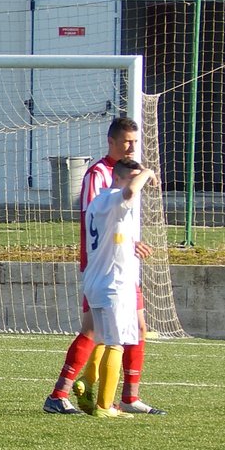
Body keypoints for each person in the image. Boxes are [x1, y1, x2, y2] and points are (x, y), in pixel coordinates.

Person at [43, 117, 165, 416]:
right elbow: (96, 218)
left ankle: (129, 397)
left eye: (135, 142)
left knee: (138, 327)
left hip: (123, 267)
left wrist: (131, 242)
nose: (132, 147)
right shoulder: (99, 174)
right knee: (95, 332)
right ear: (111, 141)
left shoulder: (130, 172)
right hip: (104, 267)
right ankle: (61, 394)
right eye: (126, 142)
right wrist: (117, 246)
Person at [82, 159, 157, 418]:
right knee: (116, 344)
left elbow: (112, 236)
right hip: (114, 284)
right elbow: (130, 192)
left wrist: (130, 244)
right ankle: (105, 406)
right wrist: (147, 172)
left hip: (95, 280)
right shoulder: (117, 199)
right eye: (131, 177)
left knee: (102, 340)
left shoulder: (98, 202)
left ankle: (86, 381)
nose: (136, 184)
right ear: (117, 178)